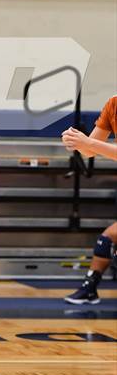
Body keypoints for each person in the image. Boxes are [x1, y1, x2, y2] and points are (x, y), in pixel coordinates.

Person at [62, 95, 116, 304]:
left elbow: (92, 144)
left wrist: (88, 142)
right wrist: (76, 142)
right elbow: (89, 150)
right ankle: (90, 287)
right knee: (108, 238)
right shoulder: (113, 104)